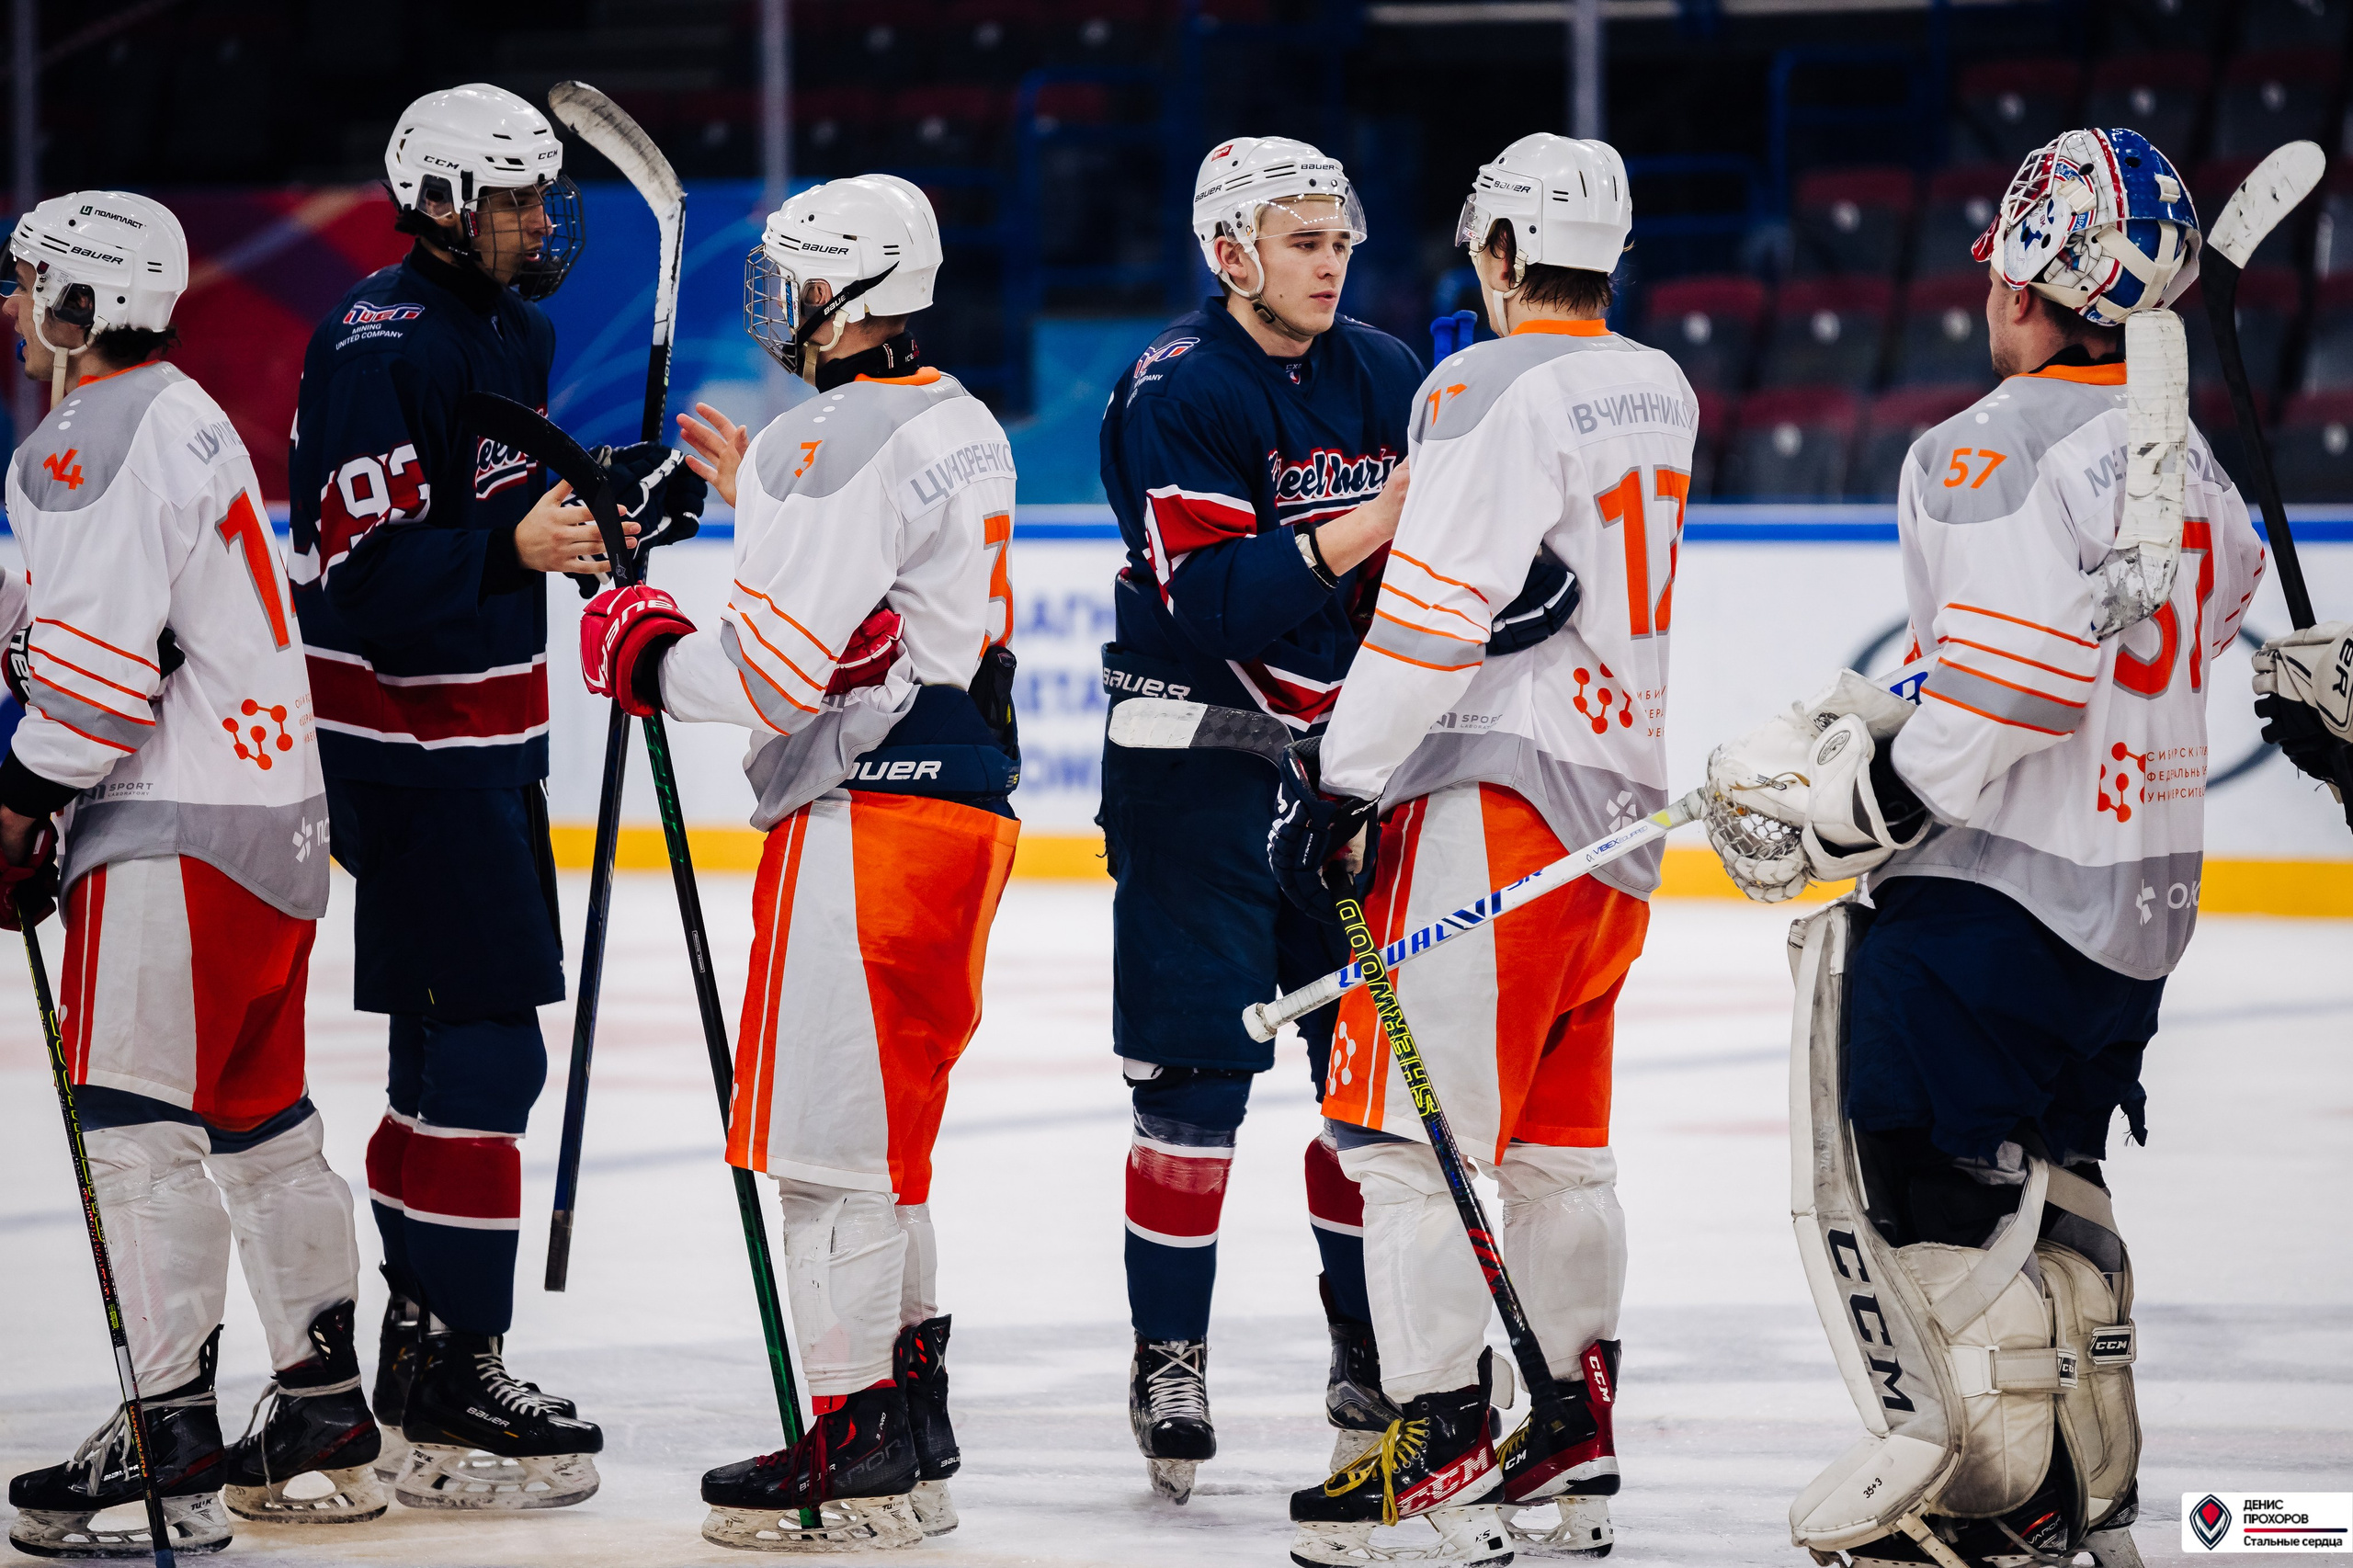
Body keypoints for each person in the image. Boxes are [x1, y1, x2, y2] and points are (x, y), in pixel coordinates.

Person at [1700, 129, 2264, 1568]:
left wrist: (1865, 797)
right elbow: (2177, 622)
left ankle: (1993, 1500)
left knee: (1917, 1179)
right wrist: (1898, 714)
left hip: (1999, 898)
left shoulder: (1985, 443)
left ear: (2030, 268)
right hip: (2137, 905)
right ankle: (2088, 1485)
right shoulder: (2183, 458)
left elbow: (2014, 690)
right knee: (2057, 1184)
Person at [579, 172, 1019, 1553]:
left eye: (797, 277)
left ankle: (853, 1439)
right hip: (960, 816)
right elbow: (878, 583)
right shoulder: (955, 416)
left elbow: (768, 678)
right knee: (885, 1153)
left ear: (857, 290)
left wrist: (635, 643)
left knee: (827, 1161)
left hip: (866, 824)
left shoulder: (830, 437)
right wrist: (765, 492)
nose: (778, 302)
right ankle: (909, 1409)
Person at [1265, 134, 1682, 1566]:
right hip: (1615, 822)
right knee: (1562, 1152)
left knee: (1399, 1146)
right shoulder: (1660, 383)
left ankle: (1436, 1448)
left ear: (1500, 252)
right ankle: (1571, 1441)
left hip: (1488, 820)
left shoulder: (1474, 382)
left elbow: (1436, 614)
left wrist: (1338, 773)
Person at [287, 83, 681, 1511]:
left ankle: (418, 1345)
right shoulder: (376, 347)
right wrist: (516, 544)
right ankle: (455, 1358)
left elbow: (499, 512)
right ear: (443, 205)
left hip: (489, 741)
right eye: (512, 198)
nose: (538, 218)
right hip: (410, 747)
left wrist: (605, 504)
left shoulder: (507, 325)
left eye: (538, 192)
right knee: (484, 1061)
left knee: (451, 1062)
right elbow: (371, 579)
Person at [0, 191, 382, 1556]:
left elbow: (94, 694)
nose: (15, 301)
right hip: (271, 830)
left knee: (134, 1131)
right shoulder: (179, 407)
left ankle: (164, 1433)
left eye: (31, 279)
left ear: (83, 302)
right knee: (260, 1121)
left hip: (166, 831)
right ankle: (323, 1407)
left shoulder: (84, 436)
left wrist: (16, 803)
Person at [1095, 135, 1430, 1506]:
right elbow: (1220, 606)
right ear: (1230, 252)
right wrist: (1381, 520)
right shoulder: (1171, 392)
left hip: (1346, 779)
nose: (1332, 258)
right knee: (1193, 1084)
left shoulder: (1391, 370)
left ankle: (1366, 1347)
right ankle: (1169, 1353)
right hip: (1201, 779)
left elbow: (1433, 580)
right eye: (1302, 239)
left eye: (1339, 235)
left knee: (1367, 1090)